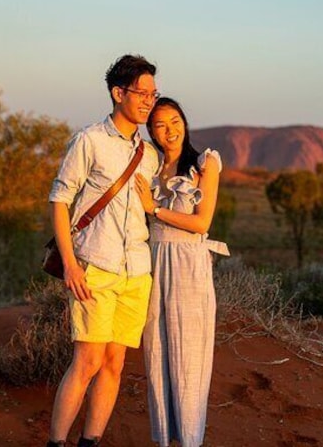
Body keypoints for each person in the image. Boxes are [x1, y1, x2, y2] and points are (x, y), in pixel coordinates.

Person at [47, 54, 161, 447]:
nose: (148, 100)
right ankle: (56, 442)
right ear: (118, 93)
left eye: (153, 93)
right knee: (88, 362)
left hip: (136, 273)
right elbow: (59, 201)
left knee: (114, 365)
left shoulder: (149, 154)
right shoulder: (89, 140)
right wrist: (70, 265)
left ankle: (90, 441)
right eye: (141, 92)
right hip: (95, 267)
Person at [134, 97, 230, 447]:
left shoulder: (205, 164)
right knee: (157, 355)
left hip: (188, 266)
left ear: (184, 122)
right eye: (160, 124)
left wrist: (154, 209)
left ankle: (190, 441)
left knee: (188, 356)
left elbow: (202, 221)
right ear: (152, 132)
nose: (169, 130)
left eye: (174, 121)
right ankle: (163, 440)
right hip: (153, 264)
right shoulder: (150, 170)